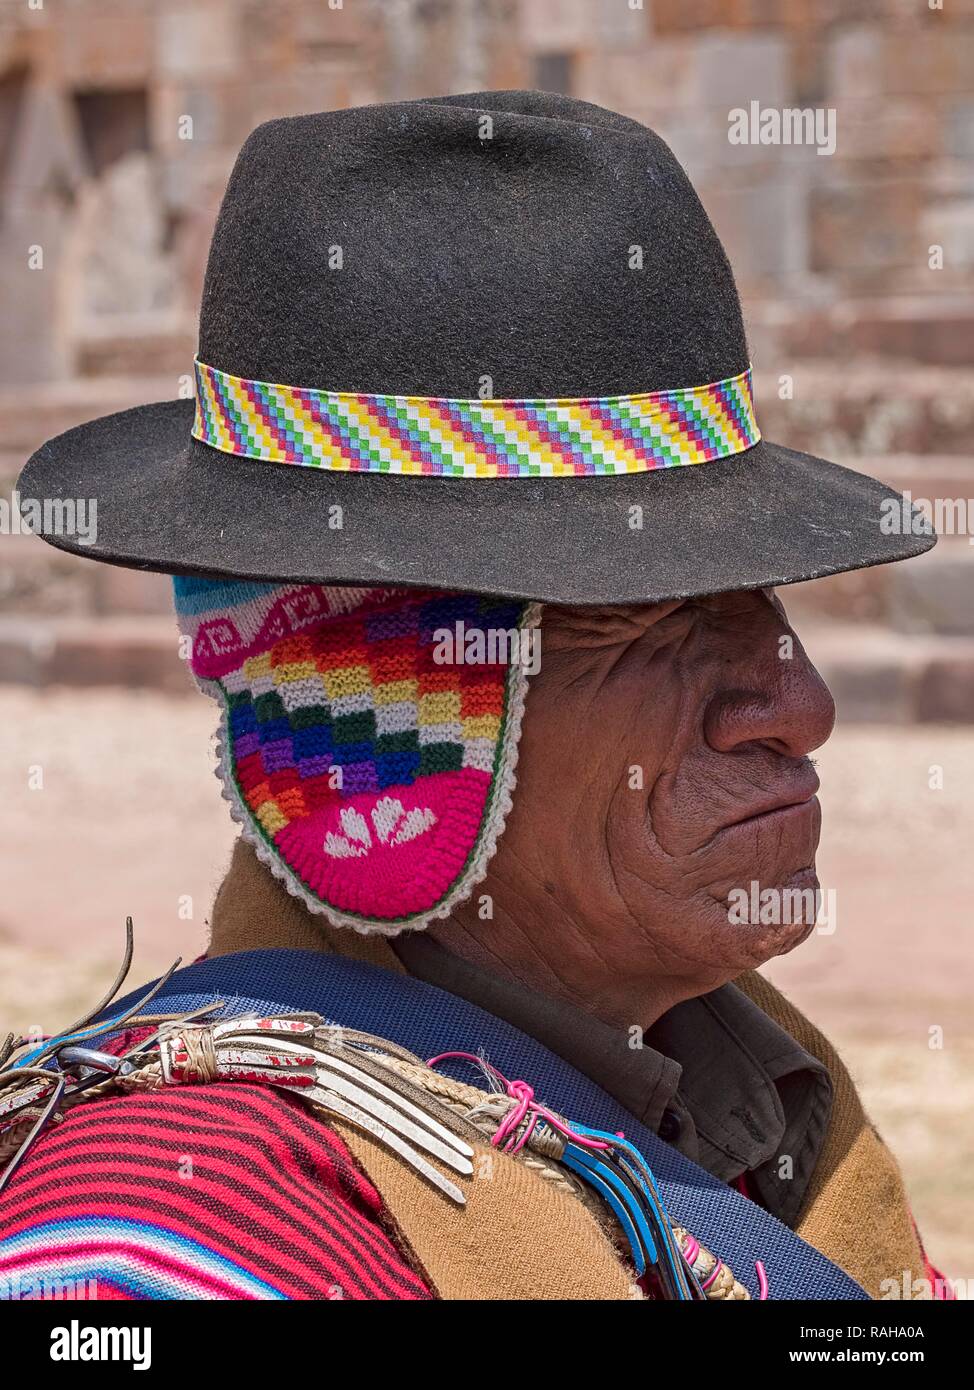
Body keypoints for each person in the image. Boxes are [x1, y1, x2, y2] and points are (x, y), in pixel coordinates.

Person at [4, 91, 944, 1301]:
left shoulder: (772, 1122)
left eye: (762, 606)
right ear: (391, 719)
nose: (798, 707)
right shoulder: (170, 1235)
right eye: (651, 621)